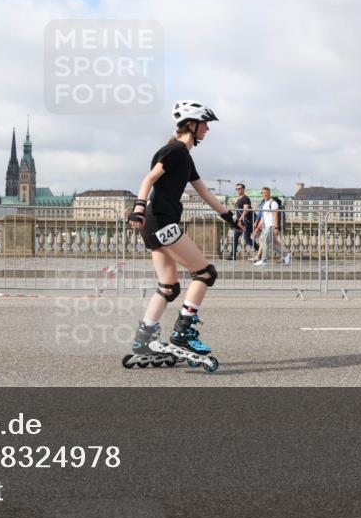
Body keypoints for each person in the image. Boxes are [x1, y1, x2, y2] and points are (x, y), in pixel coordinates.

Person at [124, 100, 237, 359]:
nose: (207, 129)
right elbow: (149, 179)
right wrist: (138, 208)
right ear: (192, 124)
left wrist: (229, 218)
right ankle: (183, 332)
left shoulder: (185, 157)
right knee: (205, 273)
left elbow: (205, 193)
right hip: (162, 221)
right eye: (205, 123)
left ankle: (144, 340)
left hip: (155, 224)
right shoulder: (174, 150)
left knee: (169, 287)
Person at [253, 186, 291, 266]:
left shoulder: (273, 203)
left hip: (271, 226)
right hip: (266, 226)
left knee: (266, 242)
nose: (264, 194)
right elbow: (263, 217)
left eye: (266, 193)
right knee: (272, 244)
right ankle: (286, 254)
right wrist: (258, 227)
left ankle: (264, 261)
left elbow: (275, 215)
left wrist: (276, 227)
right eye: (263, 193)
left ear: (269, 193)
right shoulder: (265, 204)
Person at [228, 182, 255, 260]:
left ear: (243, 189)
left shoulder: (245, 198)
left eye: (239, 188)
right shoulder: (239, 199)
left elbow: (246, 210)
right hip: (240, 222)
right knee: (235, 237)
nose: (238, 190)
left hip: (245, 221)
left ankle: (261, 250)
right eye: (237, 189)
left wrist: (240, 219)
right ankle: (233, 256)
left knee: (247, 239)